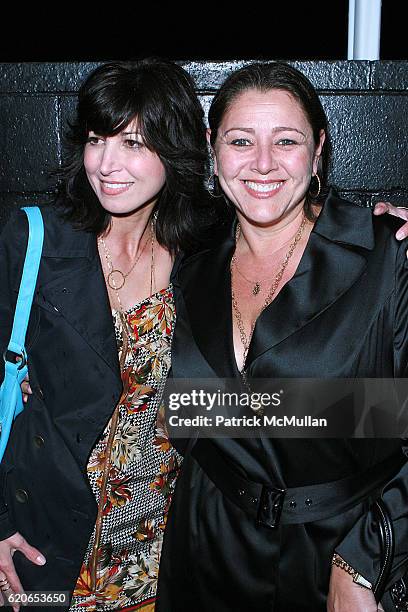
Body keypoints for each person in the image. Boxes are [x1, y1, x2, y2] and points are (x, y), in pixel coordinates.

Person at [155, 61, 408, 612]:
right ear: (212, 149)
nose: (263, 163)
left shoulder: (386, 256)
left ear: (318, 150)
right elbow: (191, 412)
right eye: (240, 140)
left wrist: (364, 561)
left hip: (335, 556)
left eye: (286, 141)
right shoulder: (191, 268)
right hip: (205, 548)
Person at [0, 58, 209, 611]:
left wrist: (381, 230)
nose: (107, 164)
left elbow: (290, 220)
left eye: (135, 143)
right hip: (44, 538)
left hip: (157, 543)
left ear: (176, 151)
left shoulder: (203, 252)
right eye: (97, 139)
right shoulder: (34, 238)